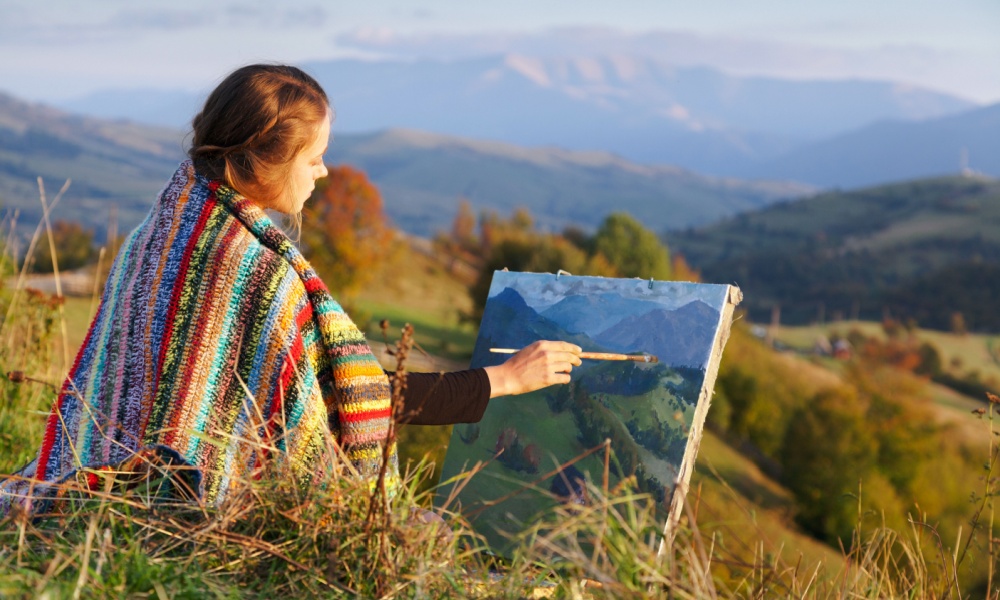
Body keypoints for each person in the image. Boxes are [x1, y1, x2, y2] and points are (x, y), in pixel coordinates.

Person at [0, 64, 581, 514]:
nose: (324, 174)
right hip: (186, 499)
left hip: (108, 481)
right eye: (317, 158)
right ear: (264, 160)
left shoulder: (161, 229)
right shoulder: (253, 269)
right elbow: (344, 400)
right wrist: (502, 380)